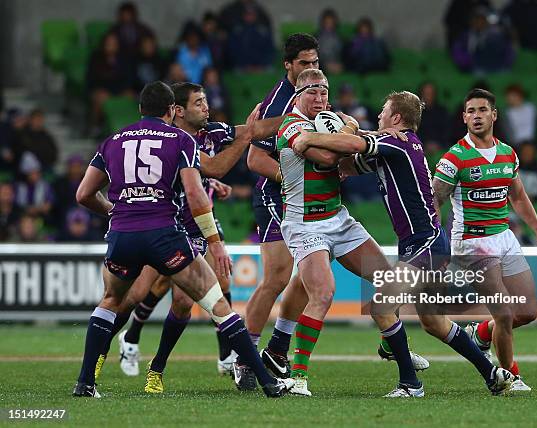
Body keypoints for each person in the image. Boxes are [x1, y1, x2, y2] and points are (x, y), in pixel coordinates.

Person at [72, 81, 293, 398]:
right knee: (218, 304)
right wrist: (216, 242)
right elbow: (194, 192)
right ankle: (267, 382)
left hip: (123, 234)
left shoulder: (113, 141)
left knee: (111, 301)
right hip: (165, 233)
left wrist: (112, 212)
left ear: (140, 109)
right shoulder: (181, 140)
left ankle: (85, 383)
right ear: (171, 111)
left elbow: (83, 194)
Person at [293, 89, 515, 396]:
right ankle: (492, 373)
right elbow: (347, 165)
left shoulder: (397, 141)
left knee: (381, 306)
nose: (380, 115)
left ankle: (411, 384)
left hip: (425, 243)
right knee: (434, 323)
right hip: (429, 242)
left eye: (384, 111)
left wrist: (308, 138)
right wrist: (340, 137)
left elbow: (354, 144)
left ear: (396, 117)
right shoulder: (396, 148)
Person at [274, 69, 432, 397]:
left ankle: (393, 346)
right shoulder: (290, 125)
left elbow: (350, 154)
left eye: (324, 93)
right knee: (323, 293)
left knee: (388, 284)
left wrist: (369, 134)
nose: (320, 100)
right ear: (297, 95)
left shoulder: (329, 121)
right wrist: (351, 129)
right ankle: (298, 377)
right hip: (305, 224)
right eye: (312, 93)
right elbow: (330, 156)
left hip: (337, 218)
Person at [433, 88, 537, 392]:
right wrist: (436, 244)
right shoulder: (454, 158)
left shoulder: (507, 154)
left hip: (504, 237)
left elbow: (517, 195)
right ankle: (508, 376)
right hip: (472, 243)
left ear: (494, 114)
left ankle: (482, 332)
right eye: (470, 111)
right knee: (504, 312)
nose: (476, 116)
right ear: (464, 117)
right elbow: (434, 201)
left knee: (526, 312)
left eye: (482, 110)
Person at [242, 33, 320, 388]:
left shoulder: (317, 96)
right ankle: (245, 359)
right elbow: (254, 157)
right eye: (304, 63)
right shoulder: (278, 106)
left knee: (312, 271)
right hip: (277, 196)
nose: (312, 69)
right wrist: (289, 178)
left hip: (310, 198)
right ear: (288, 66)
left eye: (315, 62)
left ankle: (277, 347)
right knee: (276, 277)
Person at [316, 8, 344, 74]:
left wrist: (340, 64)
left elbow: (341, 54)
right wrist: (325, 65)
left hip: (336, 64)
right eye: (327, 23)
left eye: (331, 23)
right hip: (321, 66)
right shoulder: (317, 37)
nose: (329, 25)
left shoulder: (339, 37)